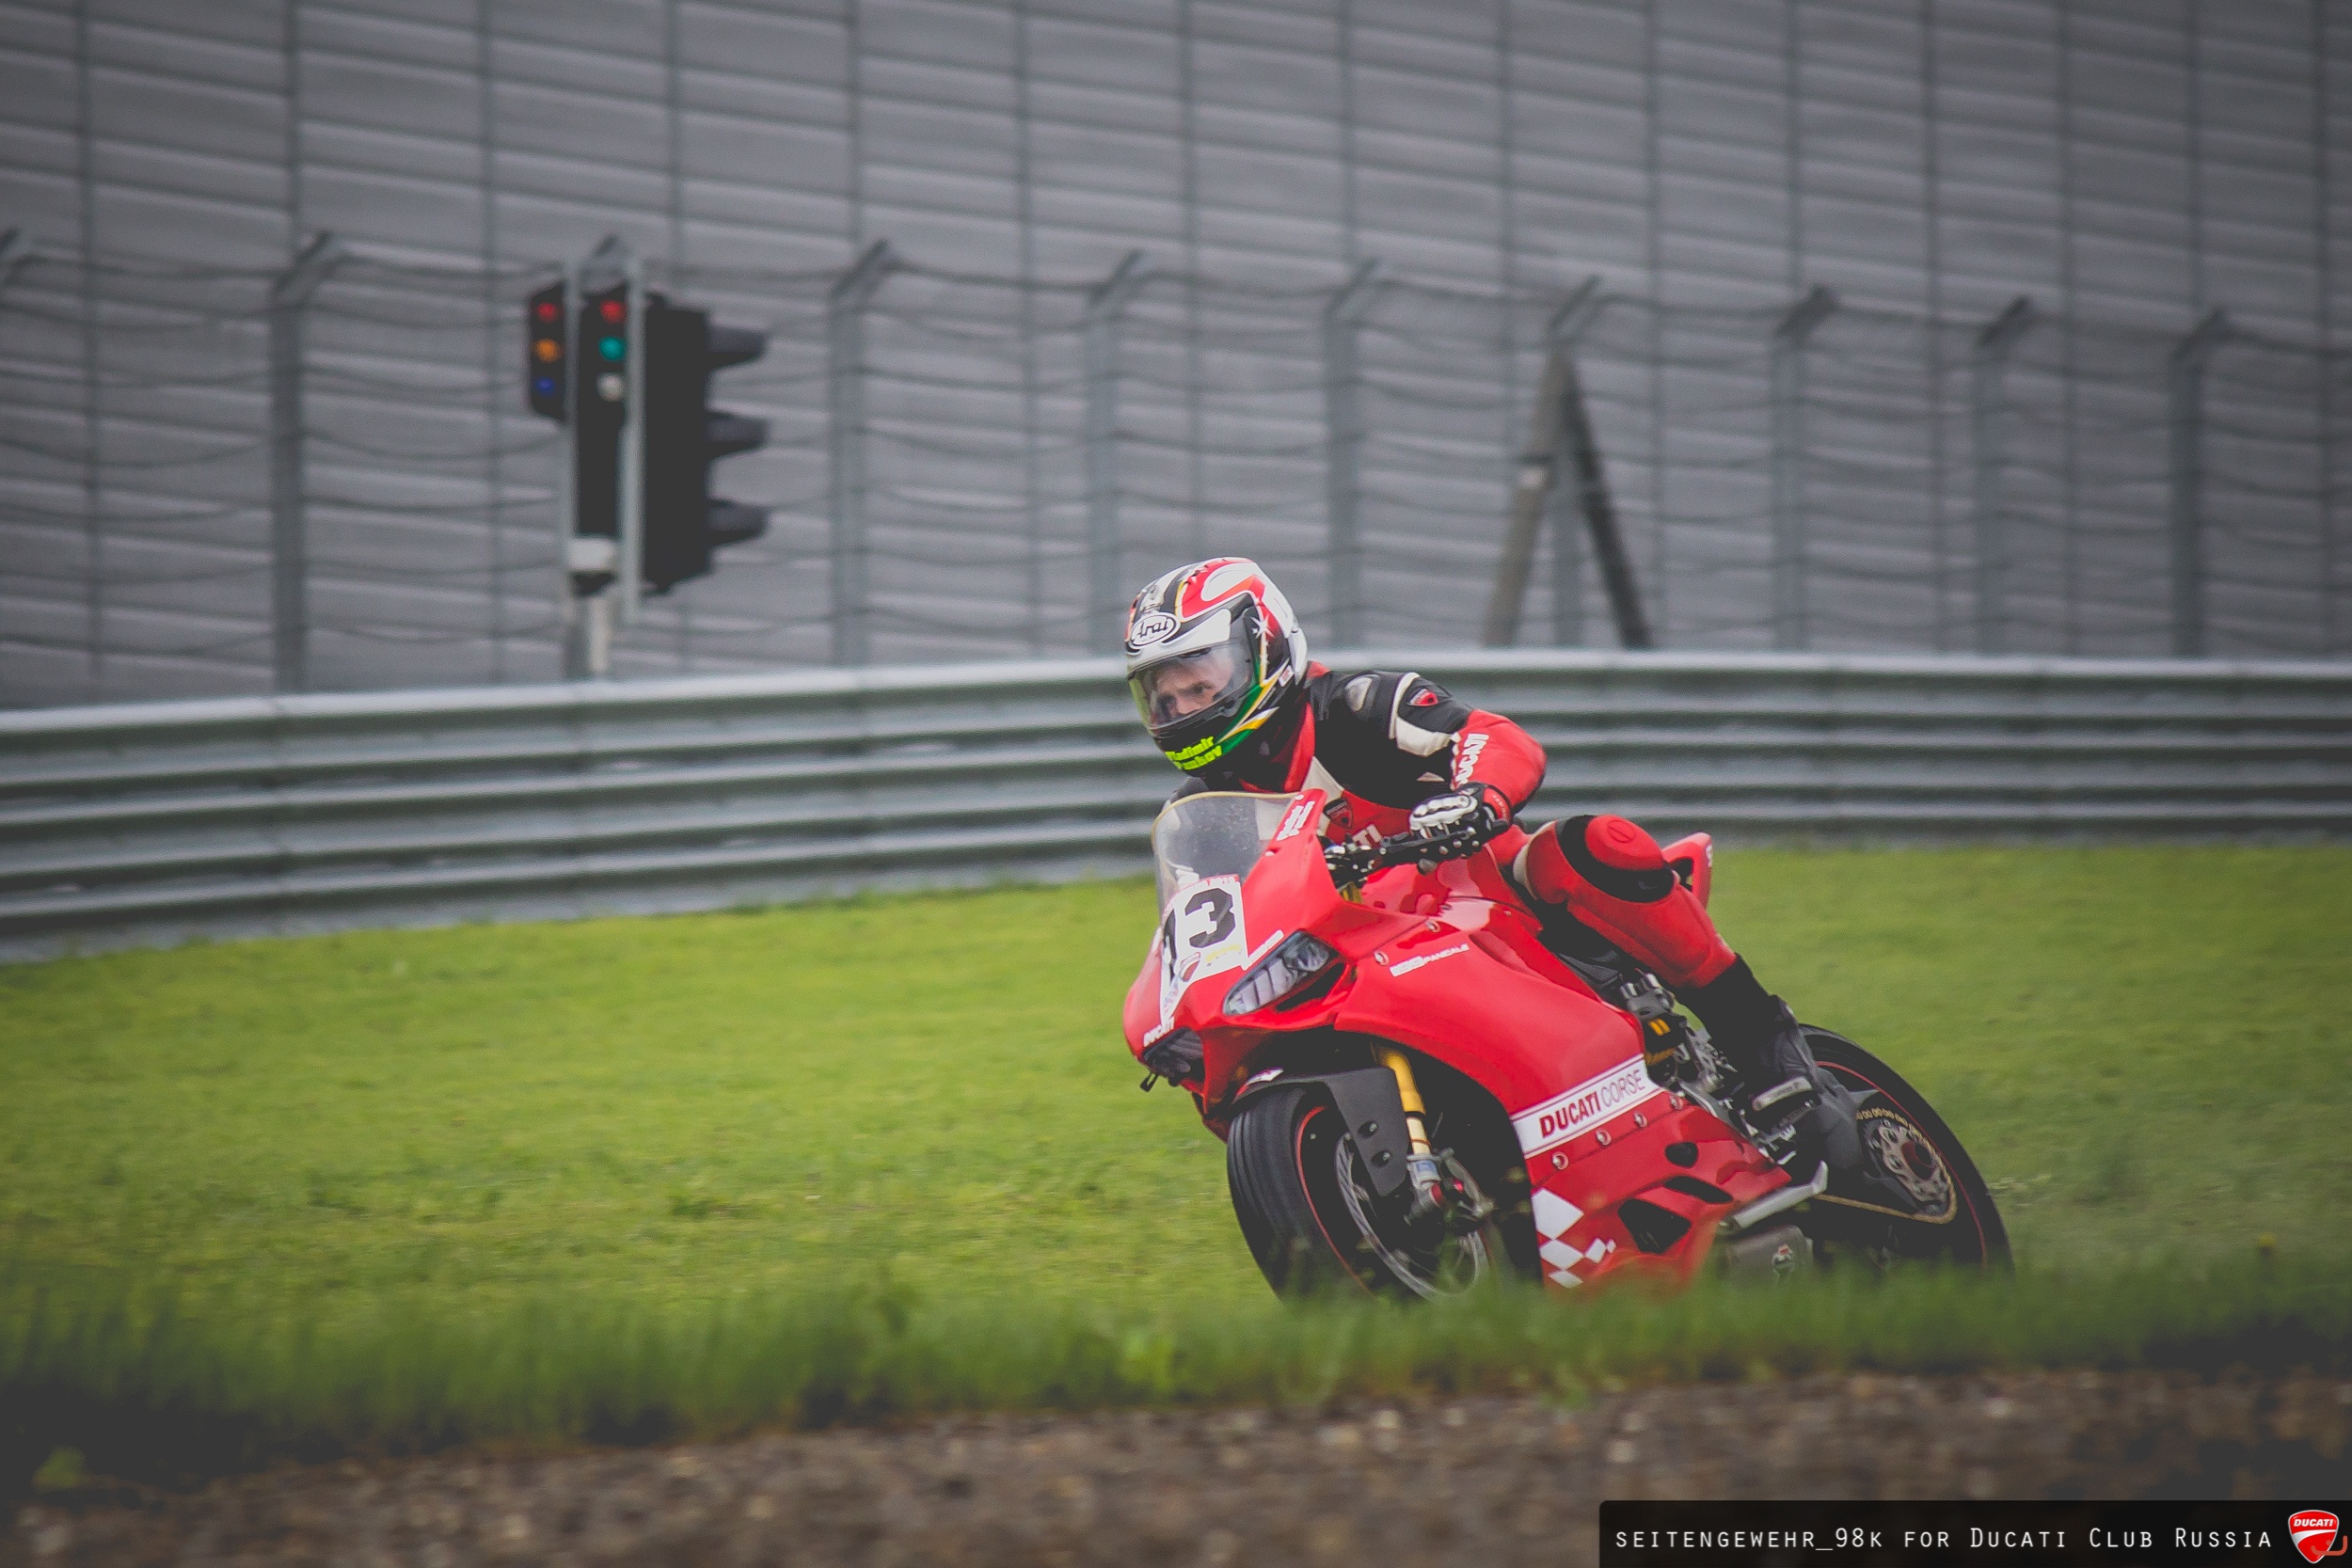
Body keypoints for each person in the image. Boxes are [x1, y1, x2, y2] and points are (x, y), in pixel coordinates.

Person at [1123, 555, 1859, 1172]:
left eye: (1200, 682)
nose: (1183, 706)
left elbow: (1496, 737)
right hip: (1360, 954)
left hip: (1476, 895)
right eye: (1165, 694)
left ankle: (1765, 1045)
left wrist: (1478, 795)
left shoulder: (1355, 707)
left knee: (1587, 846)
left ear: (1263, 648)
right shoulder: (1204, 811)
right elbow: (1206, 929)